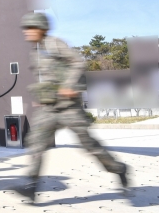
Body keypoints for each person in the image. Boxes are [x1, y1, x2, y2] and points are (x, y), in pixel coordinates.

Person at [12, 12, 128, 201]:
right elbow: (49, 78)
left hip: (69, 107)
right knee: (36, 142)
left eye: (30, 28)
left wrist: (69, 85)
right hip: (50, 107)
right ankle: (31, 186)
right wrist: (43, 95)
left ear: (41, 29)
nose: (26, 32)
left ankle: (119, 169)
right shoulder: (36, 52)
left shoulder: (55, 43)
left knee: (89, 145)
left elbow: (78, 62)